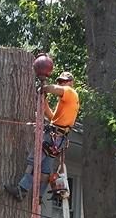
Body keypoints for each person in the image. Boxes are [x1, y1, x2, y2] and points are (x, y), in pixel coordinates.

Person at [5, 71, 80, 201]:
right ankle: (39, 196)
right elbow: (52, 117)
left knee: (34, 160)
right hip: (58, 138)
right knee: (45, 168)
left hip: (54, 137)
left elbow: (55, 89)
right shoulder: (66, 103)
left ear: (70, 83)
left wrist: (44, 88)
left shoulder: (70, 92)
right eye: (60, 81)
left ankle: (21, 189)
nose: (62, 84)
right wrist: (43, 101)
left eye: (64, 81)